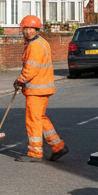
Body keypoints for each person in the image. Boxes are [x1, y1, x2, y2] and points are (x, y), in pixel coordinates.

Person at [13, 15, 67, 162]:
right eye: (26, 28)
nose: (28, 31)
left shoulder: (35, 45)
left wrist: (20, 80)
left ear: (37, 29)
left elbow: (31, 68)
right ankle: (58, 146)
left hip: (36, 89)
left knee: (33, 120)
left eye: (32, 28)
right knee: (40, 118)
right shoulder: (40, 42)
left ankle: (35, 153)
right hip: (42, 88)